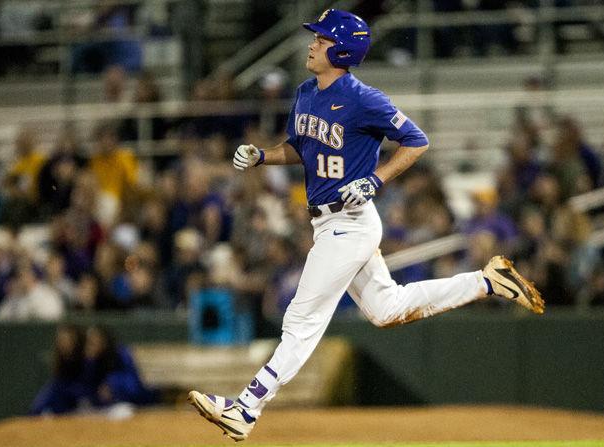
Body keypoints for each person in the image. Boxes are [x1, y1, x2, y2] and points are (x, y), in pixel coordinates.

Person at [187, 9, 545, 442]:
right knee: (386, 309)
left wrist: (375, 179)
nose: (312, 43)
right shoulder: (305, 91)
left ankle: (245, 408)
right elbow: (301, 148)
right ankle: (487, 283)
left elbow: (416, 140)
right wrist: (263, 156)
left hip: (350, 222)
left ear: (340, 49)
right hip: (328, 223)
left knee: (302, 319)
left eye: (320, 39)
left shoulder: (363, 98)